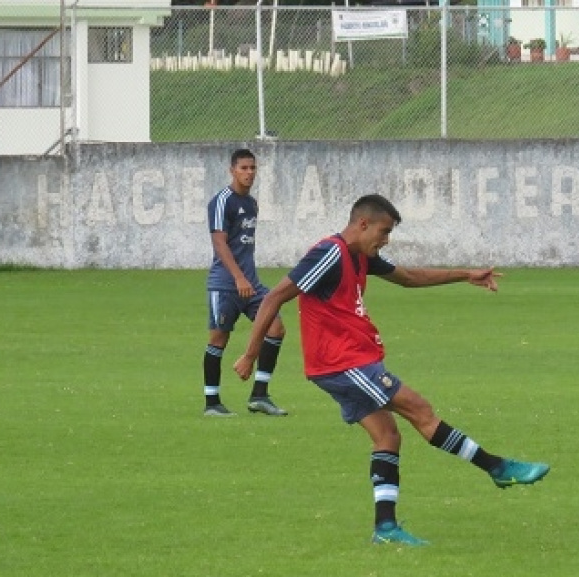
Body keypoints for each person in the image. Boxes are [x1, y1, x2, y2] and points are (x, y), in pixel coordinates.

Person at [233, 194, 549, 545]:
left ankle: (385, 528)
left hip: (349, 362)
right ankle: (498, 468)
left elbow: (409, 277)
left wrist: (465, 275)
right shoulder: (329, 254)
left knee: (387, 436)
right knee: (420, 409)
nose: (386, 240)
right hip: (341, 363)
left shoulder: (360, 256)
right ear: (362, 224)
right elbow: (275, 296)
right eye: (383, 232)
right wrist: (250, 354)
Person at [202, 148, 287, 417]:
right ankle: (212, 402)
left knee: (276, 328)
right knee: (219, 338)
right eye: (244, 168)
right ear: (232, 170)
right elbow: (219, 243)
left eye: (253, 168)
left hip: (252, 284)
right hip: (225, 284)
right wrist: (238, 277)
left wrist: (246, 278)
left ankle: (259, 395)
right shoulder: (221, 201)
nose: (249, 173)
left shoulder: (251, 203)